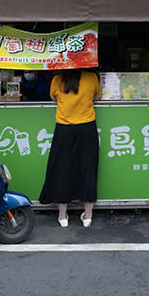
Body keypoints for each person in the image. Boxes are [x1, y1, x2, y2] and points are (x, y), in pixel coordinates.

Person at [39, 68, 101, 228]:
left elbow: (53, 98)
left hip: (64, 129)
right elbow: (97, 96)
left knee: (62, 169)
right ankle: (88, 216)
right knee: (88, 168)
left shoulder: (57, 80)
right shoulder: (92, 77)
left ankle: (62, 216)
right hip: (87, 127)